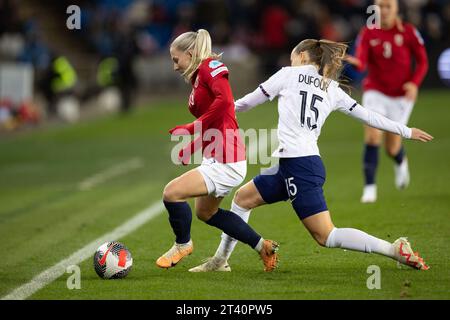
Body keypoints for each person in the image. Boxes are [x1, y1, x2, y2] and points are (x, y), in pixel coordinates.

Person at [189, 38, 432, 273]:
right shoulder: (331, 87)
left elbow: (243, 104)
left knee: (326, 235)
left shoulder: (287, 74)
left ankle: (394, 248)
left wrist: (212, 116)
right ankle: (221, 260)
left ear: (302, 56)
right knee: (242, 198)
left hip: (300, 168)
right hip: (292, 164)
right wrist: (406, 130)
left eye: (293, 57)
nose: (291, 60)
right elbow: (369, 116)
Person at [157, 29, 278, 272]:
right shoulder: (198, 78)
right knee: (206, 212)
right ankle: (262, 247)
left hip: (226, 158)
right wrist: (191, 146)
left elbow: (225, 103)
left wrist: (191, 129)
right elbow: (215, 122)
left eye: (175, 59)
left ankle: (182, 244)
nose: (174, 66)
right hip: (216, 155)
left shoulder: (209, 67)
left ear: (190, 54)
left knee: (171, 193)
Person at [345, 0, 429, 203]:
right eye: (379, 6)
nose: (383, 10)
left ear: (396, 8)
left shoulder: (408, 31)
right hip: (375, 91)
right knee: (373, 135)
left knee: (392, 147)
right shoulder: (368, 32)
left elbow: (423, 62)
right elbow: (362, 62)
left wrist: (414, 84)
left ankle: (400, 160)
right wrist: (352, 61)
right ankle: (370, 187)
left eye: (387, 6)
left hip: (401, 95)